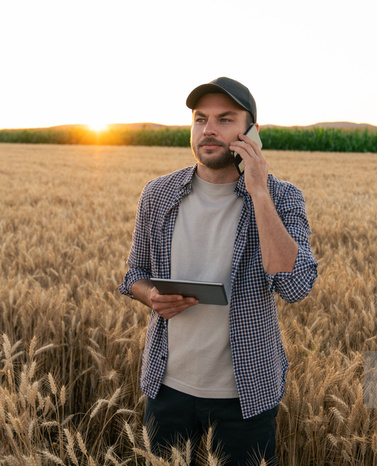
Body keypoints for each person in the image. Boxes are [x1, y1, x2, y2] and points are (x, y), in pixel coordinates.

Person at [119, 77, 318, 465]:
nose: (208, 129)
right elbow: (134, 274)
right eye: (200, 119)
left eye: (225, 120)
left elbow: (294, 285)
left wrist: (258, 191)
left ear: (251, 133)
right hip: (168, 388)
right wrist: (151, 295)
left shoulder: (283, 197)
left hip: (245, 394)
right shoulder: (158, 193)